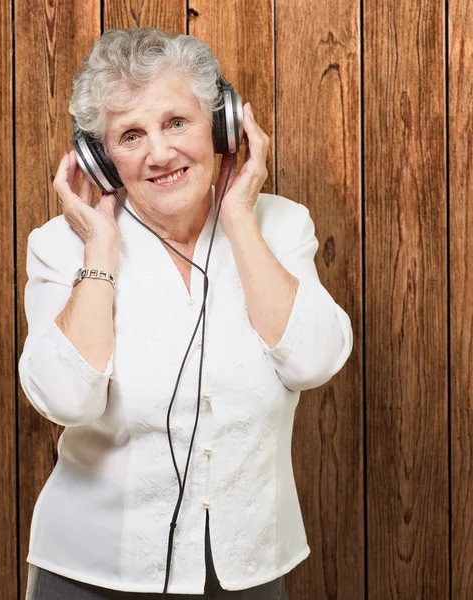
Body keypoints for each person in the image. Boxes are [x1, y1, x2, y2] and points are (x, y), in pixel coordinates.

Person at [18, 27, 353, 600]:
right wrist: (99, 252)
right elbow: (66, 401)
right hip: (93, 572)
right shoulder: (61, 246)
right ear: (101, 160)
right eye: (130, 134)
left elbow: (314, 362)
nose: (159, 152)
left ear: (221, 126)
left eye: (177, 122)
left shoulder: (281, 225)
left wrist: (239, 218)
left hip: (245, 568)